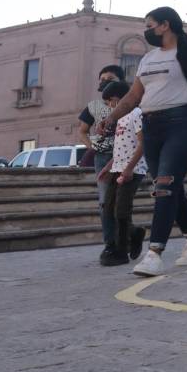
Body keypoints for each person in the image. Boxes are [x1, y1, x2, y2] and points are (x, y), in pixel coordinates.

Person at [99, 7, 187, 276]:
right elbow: (133, 97)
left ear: (165, 25)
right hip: (152, 127)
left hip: (183, 124)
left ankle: (154, 253)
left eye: (149, 25)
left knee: (164, 185)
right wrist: (111, 118)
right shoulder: (148, 59)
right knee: (170, 187)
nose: (146, 31)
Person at [95, 82, 147, 266]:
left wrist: (129, 168)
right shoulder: (120, 119)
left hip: (133, 169)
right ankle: (135, 233)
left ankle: (122, 251)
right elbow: (121, 148)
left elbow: (143, 143)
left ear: (123, 99)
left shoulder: (136, 114)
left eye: (112, 101)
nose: (110, 106)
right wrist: (108, 167)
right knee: (108, 208)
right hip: (117, 168)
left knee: (122, 211)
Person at [77, 65, 125, 250]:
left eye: (110, 79)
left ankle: (125, 237)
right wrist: (93, 148)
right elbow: (82, 131)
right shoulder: (93, 107)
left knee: (122, 200)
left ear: (120, 82)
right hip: (103, 157)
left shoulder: (131, 104)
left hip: (126, 156)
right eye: (102, 79)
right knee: (105, 201)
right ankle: (110, 243)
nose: (105, 82)